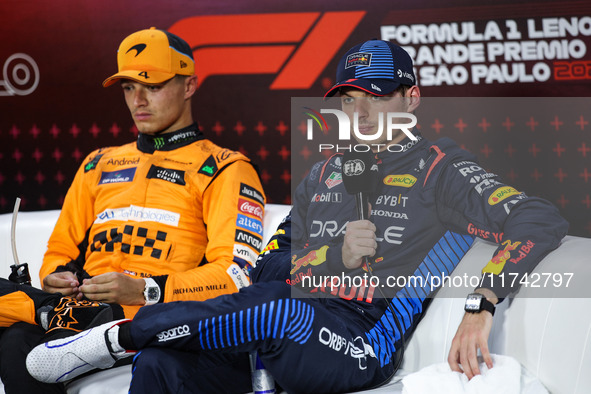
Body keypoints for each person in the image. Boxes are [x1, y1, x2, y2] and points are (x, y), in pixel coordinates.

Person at [26, 39, 568, 393]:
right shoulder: (328, 170)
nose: (358, 114)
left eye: (374, 98)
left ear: (411, 99)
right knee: (164, 368)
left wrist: (482, 305)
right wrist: (334, 254)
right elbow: (268, 266)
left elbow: (537, 218)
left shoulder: (438, 167)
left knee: (284, 307)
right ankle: (133, 347)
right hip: (274, 329)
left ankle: (114, 340)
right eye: (347, 100)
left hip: (359, 344)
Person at [0, 27, 265, 393]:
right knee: (16, 341)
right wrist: (58, 277)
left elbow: (237, 276)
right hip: (83, 314)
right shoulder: (98, 163)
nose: (138, 100)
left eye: (152, 86)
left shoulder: (226, 168)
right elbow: (60, 252)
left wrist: (145, 289)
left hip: (162, 318)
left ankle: (100, 334)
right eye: (128, 88)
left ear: (189, 85)